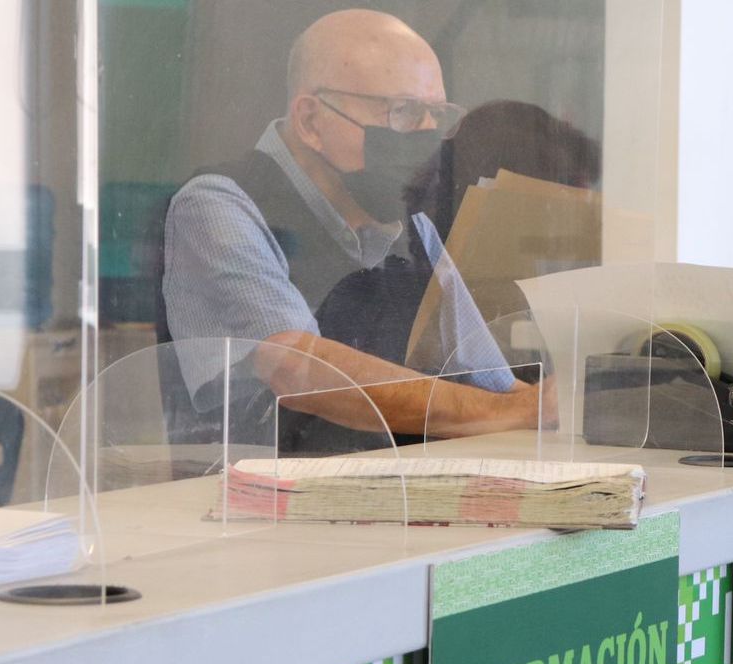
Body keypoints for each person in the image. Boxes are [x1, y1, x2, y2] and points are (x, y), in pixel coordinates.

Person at [161, 10, 547, 451]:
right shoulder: (219, 205)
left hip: (383, 485)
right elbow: (297, 367)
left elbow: (488, 379)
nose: (425, 137)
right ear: (311, 121)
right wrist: (508, 412)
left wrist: (550, 408)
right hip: (249, 488)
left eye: (437, 116)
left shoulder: (411, 226)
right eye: (403, 111)